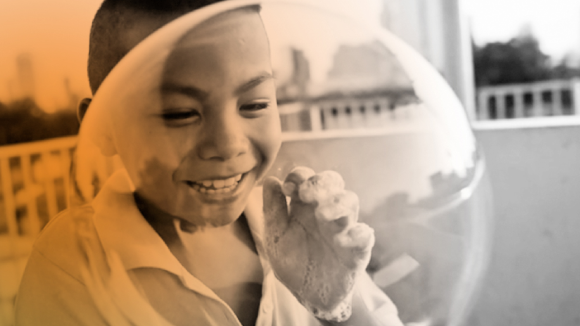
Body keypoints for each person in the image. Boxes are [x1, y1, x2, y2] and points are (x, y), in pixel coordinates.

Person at [14, 1, 404, 325]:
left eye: (254, 105)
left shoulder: (297, 226)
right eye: (180, 113)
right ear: (103, 127)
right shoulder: (73, 263)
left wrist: (335, 305)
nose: (228, 144)